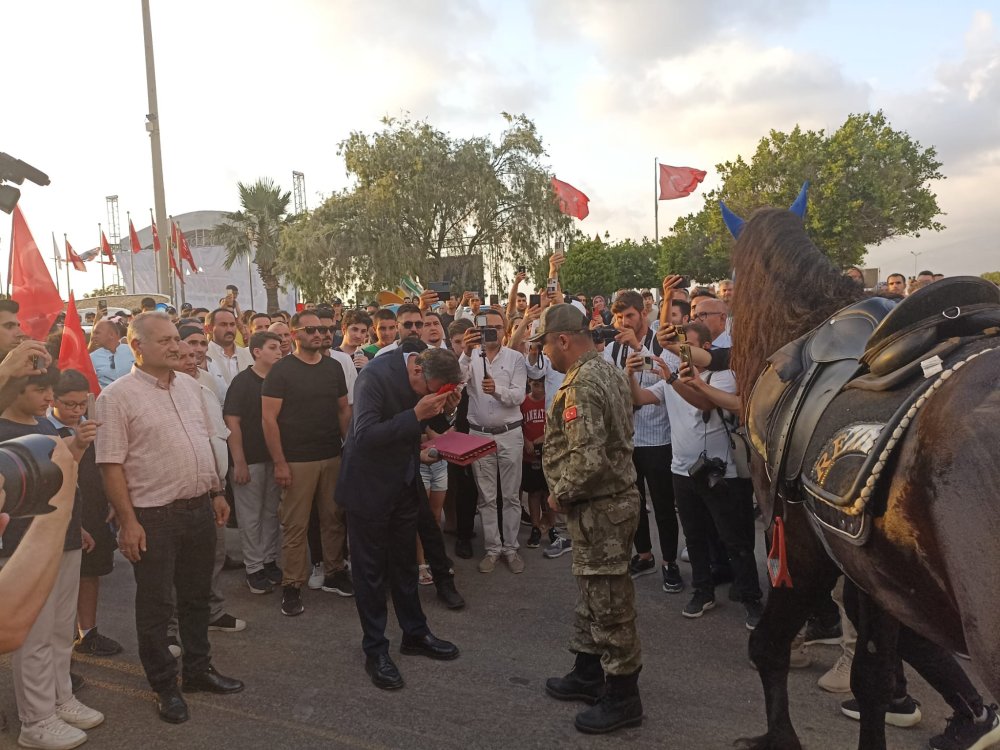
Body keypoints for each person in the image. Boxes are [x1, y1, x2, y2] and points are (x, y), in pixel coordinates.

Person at [95, 312, 243, 725]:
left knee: (197, 599)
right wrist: (128, 522)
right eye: (165, 341)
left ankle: (198, 671)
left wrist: (216, 491)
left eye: (177, 338)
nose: (177, 347)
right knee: (158, 606)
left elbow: (201, 444)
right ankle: (164, 685)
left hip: (198, 509)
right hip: (153, 517)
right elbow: (110, 465)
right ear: (136, 346)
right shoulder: (117, 397)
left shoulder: (192, 388)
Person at [532, 304, 644, 735]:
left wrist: (560, 493)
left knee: (611, 602)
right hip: (604, 506)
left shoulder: (581, 384)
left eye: (544, 344)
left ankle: (623, 695)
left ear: (563, 340)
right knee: (593, 593)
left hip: (601, 508)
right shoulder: (604, 369)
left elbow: (590, 459)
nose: (544, 354)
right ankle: (587, 670)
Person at [337, 346, 463, 690]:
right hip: (368, 489)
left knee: (405, 566)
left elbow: (433, 422)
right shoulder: (374, 378)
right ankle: (375, 650)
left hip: (404, 485)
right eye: (431, 389)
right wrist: (415, 413)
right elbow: (363, 436)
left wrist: (445, 411)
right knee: (371, 573)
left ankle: (415, 633)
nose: (429, 395)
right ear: (417, 370)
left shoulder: (426, 382)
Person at [624, 325, 763, 628]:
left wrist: (673, 377)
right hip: (681, 470)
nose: (681, 352)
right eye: (678, 346)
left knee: (733, 538)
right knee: (695, 536)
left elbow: (704, 402)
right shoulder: (670, 380)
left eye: (688, 346)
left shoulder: (724, 376)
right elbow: (640, 398)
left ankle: (751, 597)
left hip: (720, 471)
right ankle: (703, 591)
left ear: (708, 349)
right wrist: (631, 374)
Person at [1, 366, 108, 748]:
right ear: (13, 389)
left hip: (64, 538)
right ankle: (36, 720)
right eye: (39, 389)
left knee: (62, 630)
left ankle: (61, 698)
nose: (49, 397)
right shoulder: (3, 431)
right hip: (25, 549)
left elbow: (62, 480)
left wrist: (77, 446)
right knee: (35, 636)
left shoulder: (45, 426)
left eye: (50, 389)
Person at [262, 311, 352, 617]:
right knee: (295, 525)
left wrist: (349, 450)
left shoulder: (334, 367)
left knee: (333, 518)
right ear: (295, 334)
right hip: (296, 460)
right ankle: (292, 585)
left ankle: (334, 573)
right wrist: (280, 463)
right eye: (312, 329)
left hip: (332, 455)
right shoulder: (281, 371)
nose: (320, 334)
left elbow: (343, 411)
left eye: (325, 329)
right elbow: (269, 419)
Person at [605, 290, 683, 593]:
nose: (624, 322)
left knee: (663, 505)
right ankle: (644, 554)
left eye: (630, 316)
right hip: (627, 439)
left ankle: (670, 562)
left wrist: (638, 347)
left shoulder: (662, 345)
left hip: (658, 438)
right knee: (632, 503)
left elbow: (666, 378)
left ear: (643, 313)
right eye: (620, 317)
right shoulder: (612, 349)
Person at [48, 370, 123, 658]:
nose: (76, 411)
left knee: (91, 573)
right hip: (59, 515)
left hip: (94, 509)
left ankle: (88, 632)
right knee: (59, 583)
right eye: (69, 404)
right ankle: (58, 646)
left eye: (82, 404)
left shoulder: (92, 427)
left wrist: (115, 500)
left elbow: (107, 466)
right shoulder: (44, 431)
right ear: (53, 399)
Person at [459, 308, 528, 574]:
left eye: (497, 327)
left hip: (510, 433)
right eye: (485, 327)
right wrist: (465, 352)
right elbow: (456, 380)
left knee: (511, 496)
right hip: (479, 433)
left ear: (505, 330)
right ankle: (492, 549)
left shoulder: (515, 358)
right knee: (486, 497)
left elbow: (519, 396)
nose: (491, 332)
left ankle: (511, 548)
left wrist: (496, 391)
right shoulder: (471, 357)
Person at [224, 332, 284, 595]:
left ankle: (269, 559)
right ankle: (254, 568)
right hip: (249, 458)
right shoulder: (242, 382)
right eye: (273, 347)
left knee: (272, 513)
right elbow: (232, 422)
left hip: (276, 457)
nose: (279, 351)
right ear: (257, 352)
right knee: (250, 517)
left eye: (280, 347)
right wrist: (239, 461)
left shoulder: (280, 380)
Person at [521, 376, 554, 549]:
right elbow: (519, 424)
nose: (538, 389)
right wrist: (527, 441)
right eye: (534, 385)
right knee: (533, 493)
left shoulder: (550, 401)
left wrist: (541, 439)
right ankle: (535, 526)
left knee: (549, 493)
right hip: (530, 455)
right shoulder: (524, 402)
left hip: (548, 454)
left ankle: (551, 526)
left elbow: (555, 425)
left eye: (541, 385)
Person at [205, 308, 252, 386]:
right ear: (209, 328)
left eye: (232, 324)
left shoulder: (248, 355)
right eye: (223, 325)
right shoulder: (204, 356)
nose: (229, 329)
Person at [88, 319, 135, 388]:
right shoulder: (92, 358)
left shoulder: (133, 351)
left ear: (111, 335)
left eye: (97, 333)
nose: (93, 337)